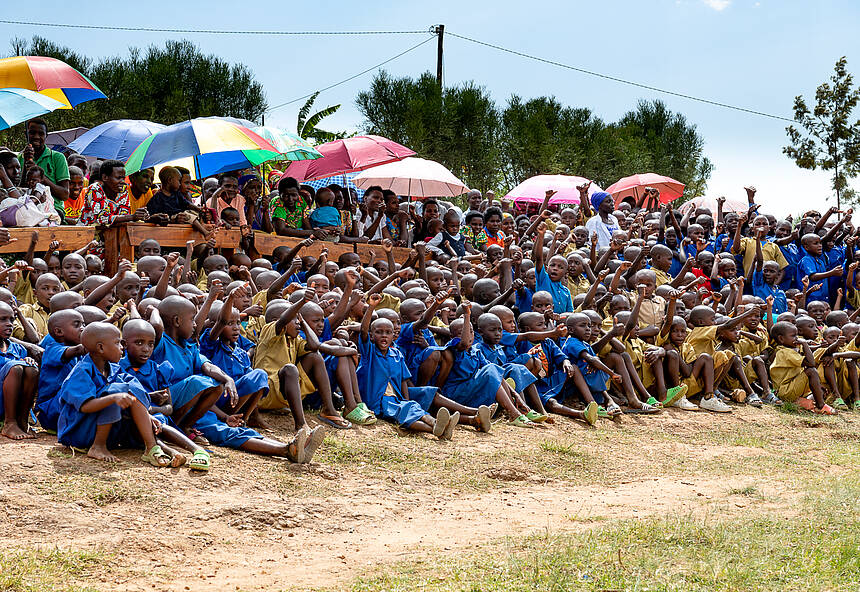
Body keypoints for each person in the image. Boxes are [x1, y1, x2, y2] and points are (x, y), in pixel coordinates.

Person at [18, 118, 69, 219]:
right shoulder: (19, 158)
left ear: (46, 136)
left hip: (54, 210)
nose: (36, 137)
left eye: (41, 134)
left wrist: (39, 175)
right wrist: (25, 166)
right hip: (27, 208)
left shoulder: (57, 157)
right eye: (32, 133)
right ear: (26, 134)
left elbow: (64, 194)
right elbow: (20, 189)